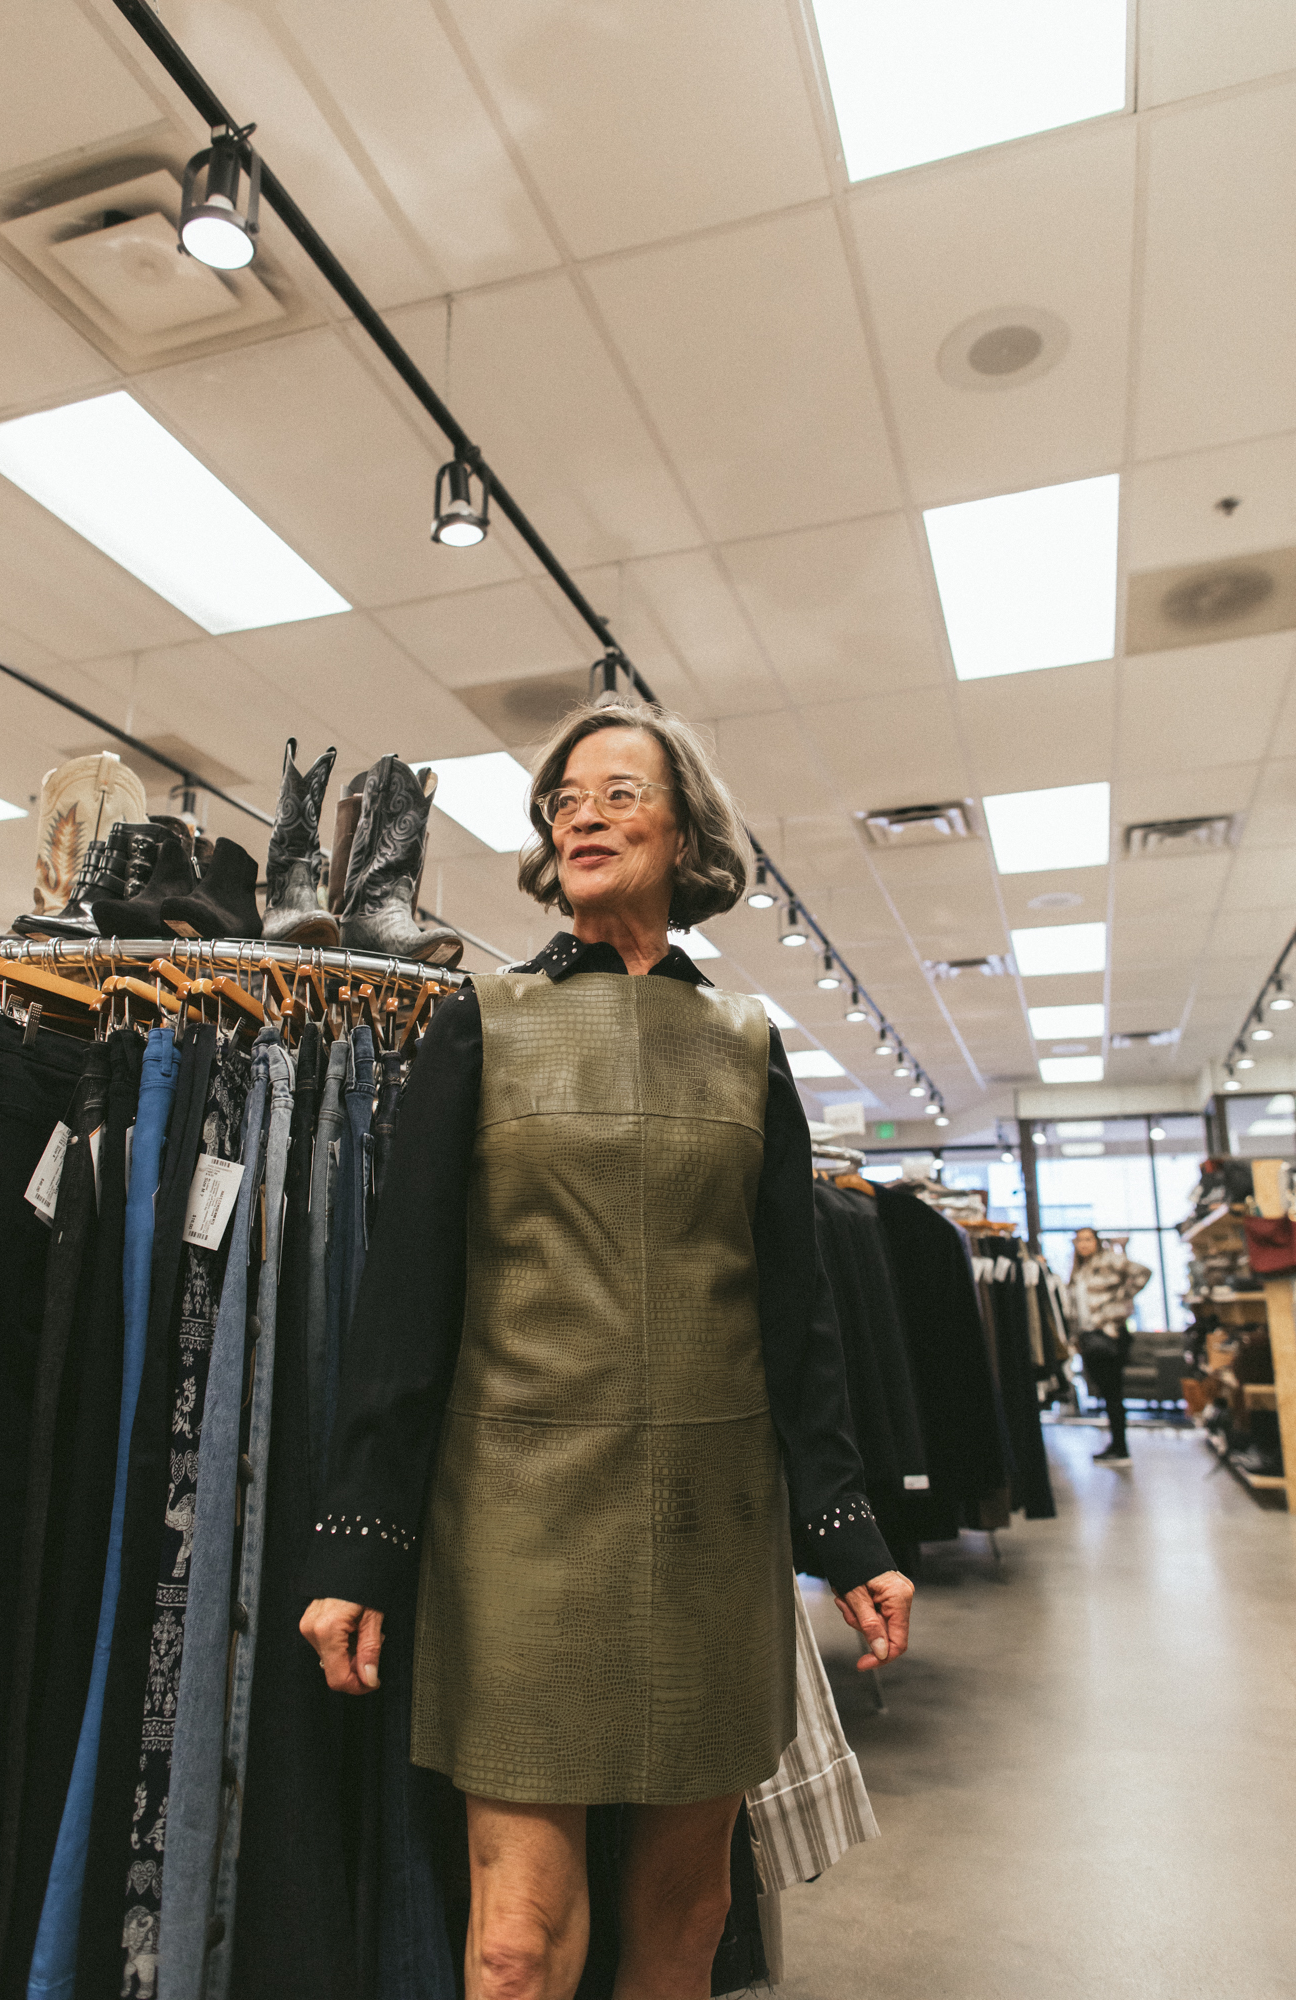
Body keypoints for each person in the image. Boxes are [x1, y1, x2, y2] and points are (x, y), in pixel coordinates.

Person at [300, 700, 913, 2000]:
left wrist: (846, 1529)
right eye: (565, 799)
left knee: (687, 1916)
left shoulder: (746, 1044)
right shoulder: (482, 1021)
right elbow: (405, 1303)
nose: (583, 814)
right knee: (514, 1945)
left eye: (619, 793)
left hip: (712, 1522)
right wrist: (359, 1539)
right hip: (516, 1524)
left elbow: (794, 1317)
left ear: (684, 832)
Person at [1067, 1227, 1151, 1466]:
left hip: (1109, 1334)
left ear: (1096, 1241)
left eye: (1088, 1239)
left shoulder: (1109, 1260)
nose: (1083, 1244)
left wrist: (1120, 1301)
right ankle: (1115, 1445)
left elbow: (1143, 1273)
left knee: (1113, 1394)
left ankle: (1120, 1448)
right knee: (1106, 1392)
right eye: (1079, 1240)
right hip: (1089, 1337)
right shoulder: (1079, 1269)